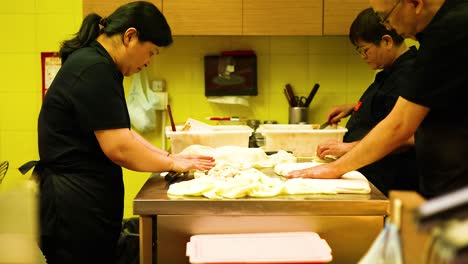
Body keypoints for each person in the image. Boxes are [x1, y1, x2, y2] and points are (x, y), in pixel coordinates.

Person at [20, 1, 215, 263]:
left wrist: (170, 158)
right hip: (72, 210)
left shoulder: (99, 65)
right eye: (151, 52)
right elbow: (119, 147)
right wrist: (172, 162)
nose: (148, 62)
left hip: (81, 204)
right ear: (130, 36)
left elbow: (124, 133)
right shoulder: (94, 68)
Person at [286, 0, 468, 199]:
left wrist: (335, 168)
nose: (388, 25)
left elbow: (400, 125)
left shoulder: (451, 31)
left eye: (385, 17)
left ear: (415, 3)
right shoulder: (449, 25)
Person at [315, 8, 418, 195]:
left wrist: (347, 149)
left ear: (386, 41)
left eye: (365, 50)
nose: (363, 57)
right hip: (370, 175)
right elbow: (387, 105)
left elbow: (404, 136)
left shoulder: (408, 74)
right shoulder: (389, 71)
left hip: (390, 184)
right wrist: (354, 107)